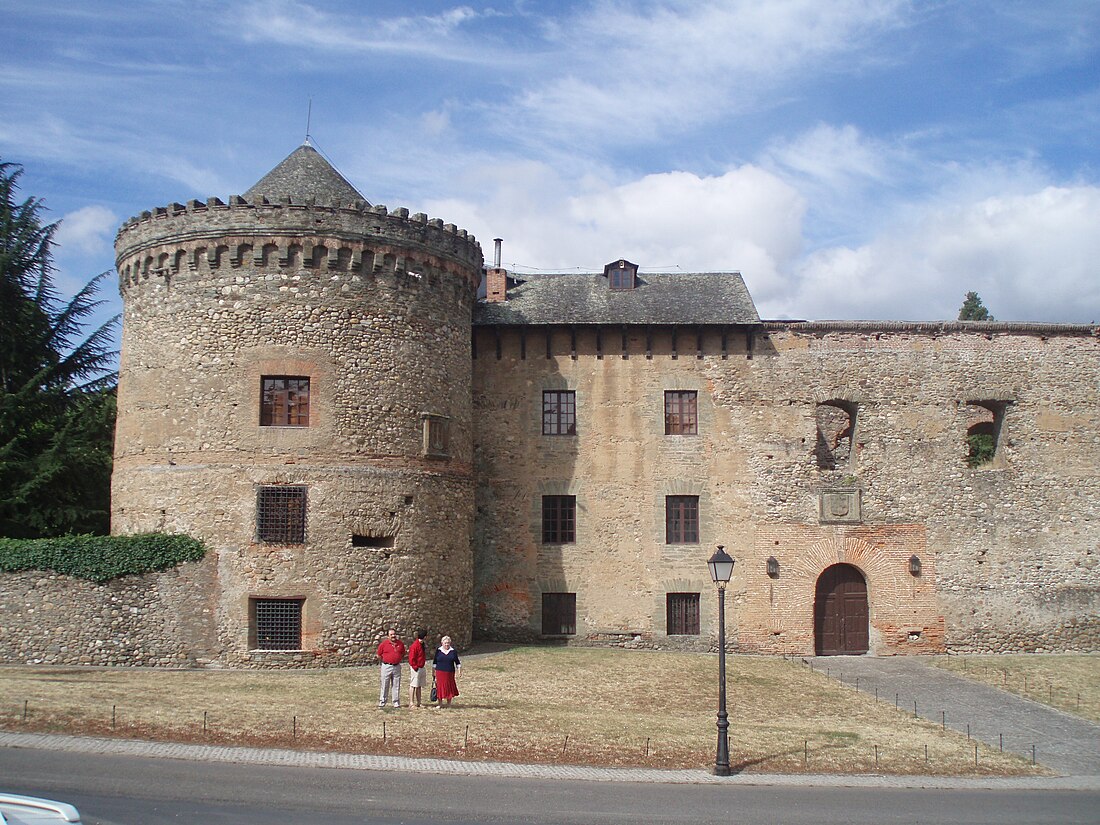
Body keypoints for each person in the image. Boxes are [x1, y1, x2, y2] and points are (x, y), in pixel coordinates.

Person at [376, 628, 405, 709]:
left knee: (396, 685)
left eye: (394, 634)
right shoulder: (383, 644)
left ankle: (396, 702)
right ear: (388, 636)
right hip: (386, 666)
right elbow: (379, 655)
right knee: (385, 684)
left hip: (397, 666)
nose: (393, 636)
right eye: (391, 634)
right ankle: (382, 702)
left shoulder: (400, 644)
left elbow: (403, 653)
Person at [431, 635, 461, 709]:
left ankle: (449, 704)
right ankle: (440, 703)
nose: (447, 644)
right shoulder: (438, 651)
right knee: (439, 687)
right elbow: (434, 663)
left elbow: (457, 663)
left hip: (449, 672)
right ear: (442, 643)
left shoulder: (453, 651)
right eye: (445, 643)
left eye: (448, 643)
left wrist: (459, 671)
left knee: (449, 687)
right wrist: (433, 672)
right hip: (440, 672)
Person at [407, 628, 427, 708]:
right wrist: (415, 667)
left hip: (421, 667)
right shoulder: (415, 646)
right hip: (416, 668)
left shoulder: (422, 644)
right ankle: (411, 702)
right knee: (413, 685)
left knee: (419, 686)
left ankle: (419, 702)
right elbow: (411, 658)